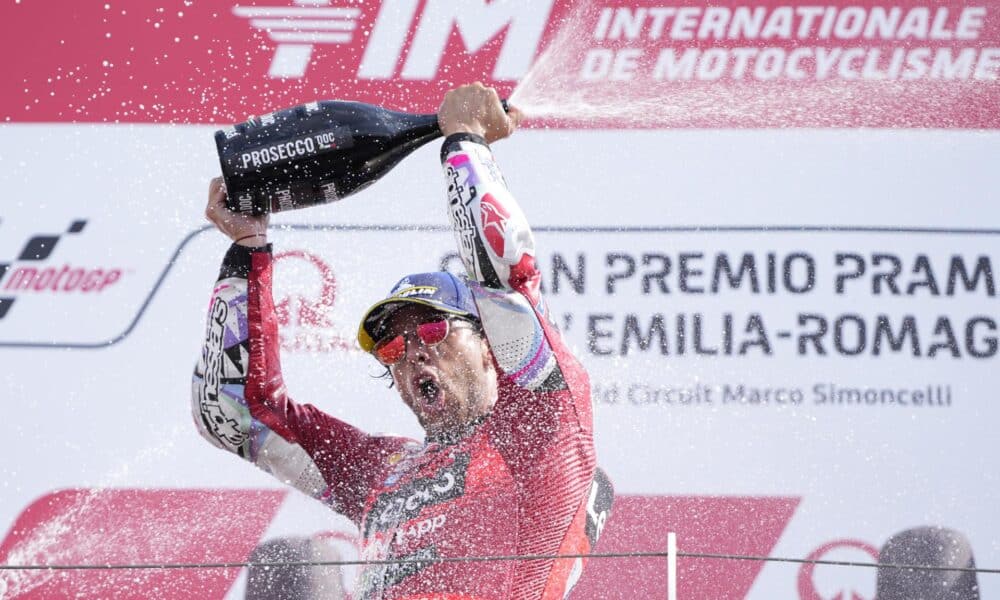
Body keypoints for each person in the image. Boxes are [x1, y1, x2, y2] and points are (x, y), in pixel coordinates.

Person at [191, 84, 613, 599]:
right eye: (391, 348)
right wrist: (247, 249)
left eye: (433, 328)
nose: (413, 350)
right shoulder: (380, 470)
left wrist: (464, 142)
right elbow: (236, 413)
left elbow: (506, 277)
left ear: (487, 346)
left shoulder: (538, 431)